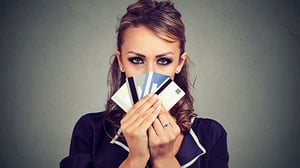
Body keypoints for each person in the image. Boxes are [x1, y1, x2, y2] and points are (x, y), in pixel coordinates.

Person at [60, 0, 229, 167]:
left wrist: (164, 160)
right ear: (121, 61)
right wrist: (136, 159)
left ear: (179, 63)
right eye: (137, 59)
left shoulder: (211, 135)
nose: (150, 74)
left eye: (163, 61)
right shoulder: (91, 129)